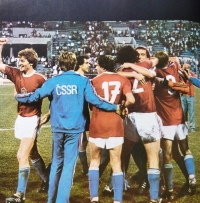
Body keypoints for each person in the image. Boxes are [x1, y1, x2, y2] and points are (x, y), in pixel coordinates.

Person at [15, 51, 124, 203]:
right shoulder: (83, 81)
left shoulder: (53, 81)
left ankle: (51, 200)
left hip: (58, 128)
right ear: (74, 64)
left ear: (60, 65)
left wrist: (18, 96)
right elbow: (96, 101)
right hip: (75, 129)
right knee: (68, 166)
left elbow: (35, 96)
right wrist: (115, 107)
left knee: (56, 164)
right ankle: (61, 200)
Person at [0, 38, 49, 203]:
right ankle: (48, 180)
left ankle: (19, 195)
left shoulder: (40, 79)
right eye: (19, 61)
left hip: (32, 120)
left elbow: (55, 98)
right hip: (20, 119)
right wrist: (1, 46)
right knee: (32, 152)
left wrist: (48, 114)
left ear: (31, 63)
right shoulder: (16, 74)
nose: (19, 63)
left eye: (22, 61)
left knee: (21, 155)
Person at [115, 46, 162, 203]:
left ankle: (118, 189)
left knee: (122, 154)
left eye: (143, 54)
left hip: (130, 116)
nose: (141, 57)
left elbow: (117, 74)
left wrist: (130, 69)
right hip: (146, 114)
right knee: (153, 156)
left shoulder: (124, 69)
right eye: (139, 54)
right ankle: (154, 197)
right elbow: (154, 69)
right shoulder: (144, 65)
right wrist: (135, 70)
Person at [88, 55, 135, 203]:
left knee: (94, 161)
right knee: (116, 163)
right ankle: (117, 200)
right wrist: (123, 107)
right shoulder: (123, 80)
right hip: (115, 124)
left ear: (102, 66)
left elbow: (91, 104)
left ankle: (94, 198)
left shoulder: (93, 81)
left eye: (96, 65)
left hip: (97, 123)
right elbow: (131, 100)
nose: (95, 67)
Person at [153, 51, 196, 202]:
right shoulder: (175, 66)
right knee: (185, 150)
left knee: (167, 155)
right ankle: (191, 178)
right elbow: (184, 86)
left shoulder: (154, 73)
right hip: (179, 117)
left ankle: (169, 189)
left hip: (166, 120)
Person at [74, 55, 91, 175]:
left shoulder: (83, 78)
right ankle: (86, 170)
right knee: (79, 142)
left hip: (83, 113)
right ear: (80, 65)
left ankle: (86, 169)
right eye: (86, 62)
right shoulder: (78, 79)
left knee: (83, 141)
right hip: (78, 114)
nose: (89, 65)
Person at [180, 63, 195, 132]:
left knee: (191, 112)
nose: (185, 69)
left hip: (190, 95)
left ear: (189, 68)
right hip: (183, 95)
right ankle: (185, 126)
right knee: (184, 112)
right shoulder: (180, 75)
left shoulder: (192, 74)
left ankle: (192, 127)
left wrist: (188, 73)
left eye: (187, 67)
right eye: (184, 67)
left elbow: (191, 81)